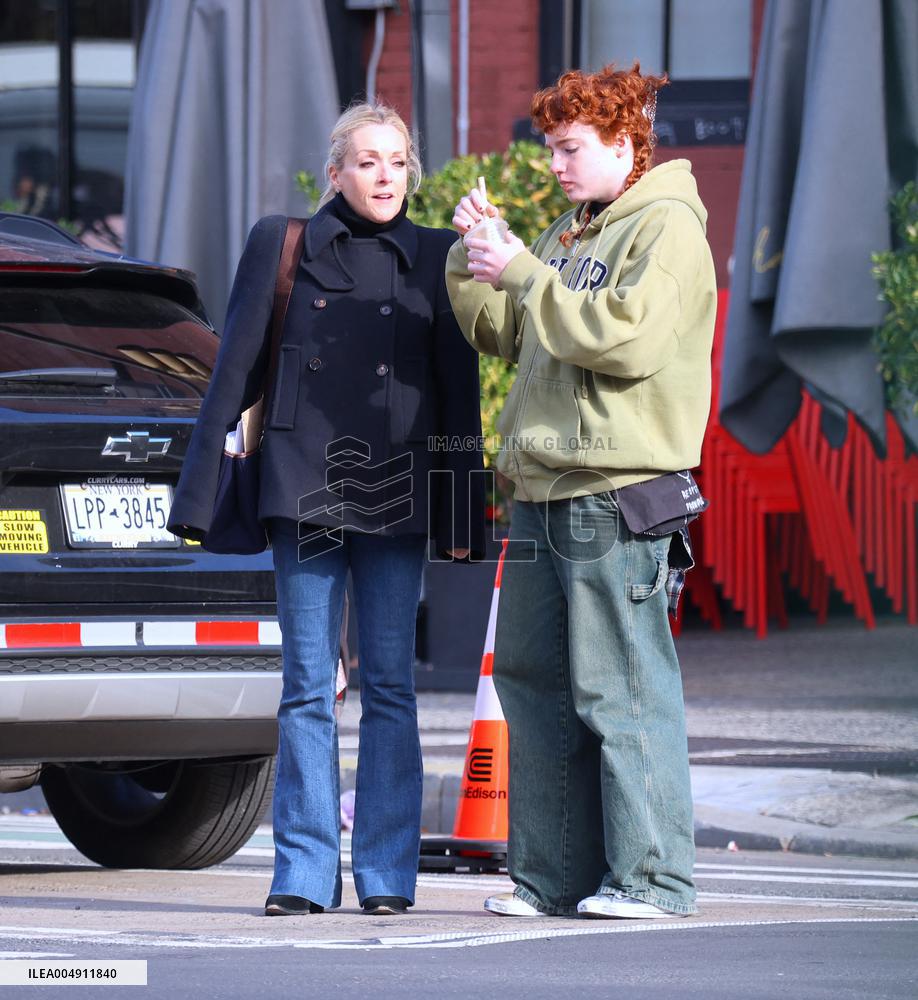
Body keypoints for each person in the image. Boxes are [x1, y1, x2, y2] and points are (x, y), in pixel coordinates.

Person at [168, 102, 485, 917]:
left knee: (390, 686)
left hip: (400, 494)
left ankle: (385, 872)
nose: (386, 176)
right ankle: (303, 872)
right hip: (301, 488)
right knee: (308, 685)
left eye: (398, 161)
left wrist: (461, 514)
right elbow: (233, 367)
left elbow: (459, 397)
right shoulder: (284, 244)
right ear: (336, 171)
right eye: (368, 161)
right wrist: (197, 491)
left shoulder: (440, 258)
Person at [446, 63, 716, 919]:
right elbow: (509, 332)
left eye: (570, 148)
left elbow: (625, 341)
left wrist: (524, 270)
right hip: (546, 485)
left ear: (626, 141)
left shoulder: (667, 227)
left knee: (621, 686)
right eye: (551, 147)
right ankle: (552, 876)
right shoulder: (575, 229)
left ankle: (654, 881)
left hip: (616, 485)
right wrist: (474, 255)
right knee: (533, 683)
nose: (555, 165)